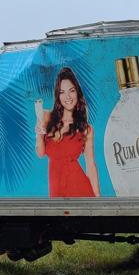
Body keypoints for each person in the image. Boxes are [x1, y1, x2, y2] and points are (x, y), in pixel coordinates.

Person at [34, 67, 100, 198]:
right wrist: (39, 135)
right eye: (62, 92)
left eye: (71, 91)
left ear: (77, 93)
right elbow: (40, 153)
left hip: (80, 191)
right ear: (58, 96)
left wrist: (98, 199)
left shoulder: (86, 129)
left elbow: (90, 165)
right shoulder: (46, 117)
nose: (68, 97)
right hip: (57, 192)